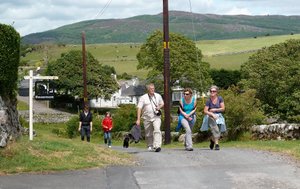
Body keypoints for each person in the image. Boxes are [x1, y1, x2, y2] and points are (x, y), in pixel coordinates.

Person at [136, 83, 164, 152]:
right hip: (147, 117)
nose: (152, 90)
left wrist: (159, 107)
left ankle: (157, 146)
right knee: (148, 133)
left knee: (157, 130)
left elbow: (162, 103)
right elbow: (139, 108)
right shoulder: (143, 97)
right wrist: (138, 119)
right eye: (151, 89)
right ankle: (150, 145)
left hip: (156, 117)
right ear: (148, 89)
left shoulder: (158, 96)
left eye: (153, 88)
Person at [200, 85, 226, 150]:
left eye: (214, 91)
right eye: (211, 91)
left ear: (216, 92)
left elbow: (223, 108)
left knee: (218, 131)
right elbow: (205, 111)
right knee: (215, 129)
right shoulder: (208, 100)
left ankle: (212, 140)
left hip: (219, 116)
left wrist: (214, 110)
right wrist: (211, 114)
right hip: (210, 116)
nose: (212, 92)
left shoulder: (220, 98)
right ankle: (217, 144)